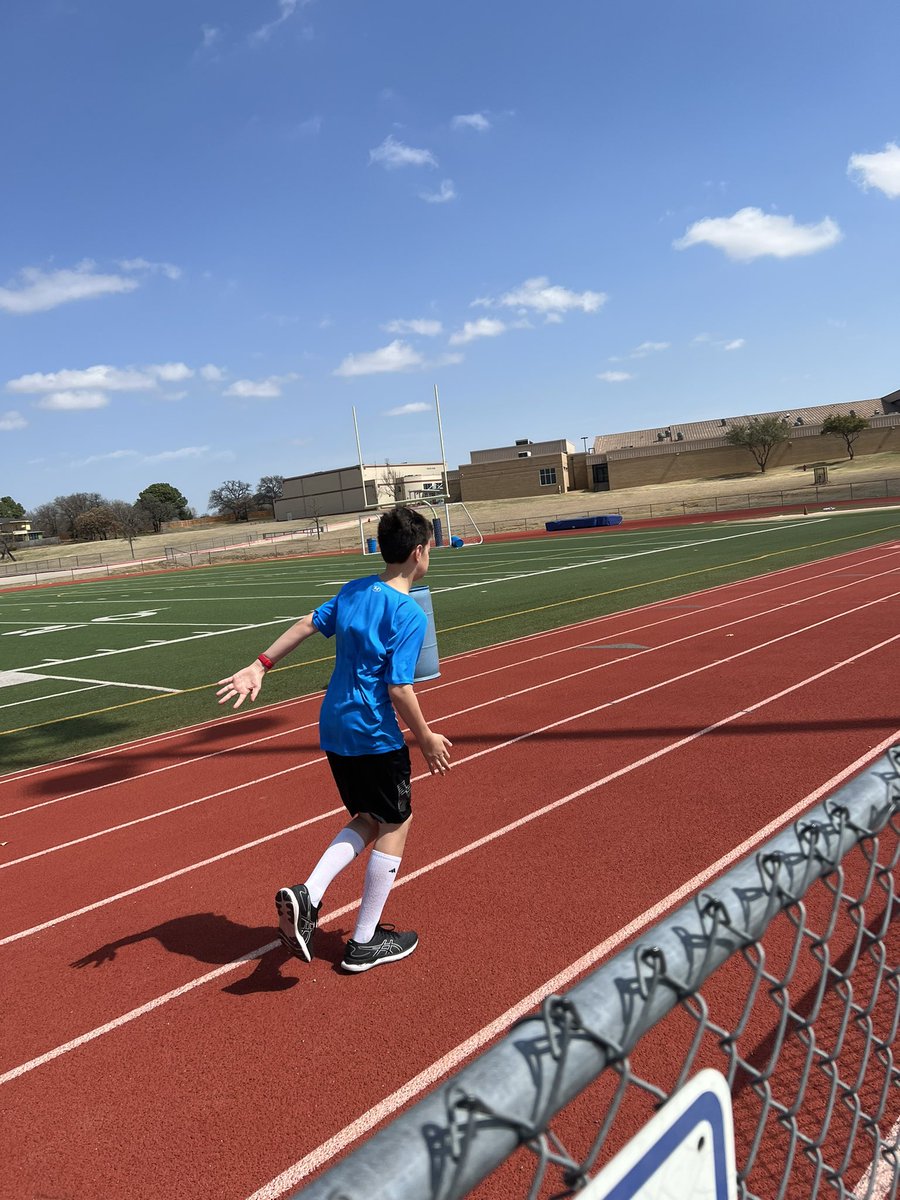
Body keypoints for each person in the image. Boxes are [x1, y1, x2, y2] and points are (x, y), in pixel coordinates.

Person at [216, 505, 452, 973]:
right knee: (396, 822)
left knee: (370, 816)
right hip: (372, 731)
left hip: (334, 726)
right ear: (420, 553)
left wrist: (259, 664)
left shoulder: (355, 589)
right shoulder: (408, 612)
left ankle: (309, 895)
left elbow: (307, 624)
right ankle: (364, 942)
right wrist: (425, 736)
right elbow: (399, 687)